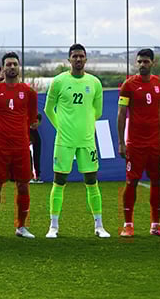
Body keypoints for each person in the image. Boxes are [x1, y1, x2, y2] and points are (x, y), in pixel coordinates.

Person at [44, 43, 110, 238]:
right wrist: (61, 128)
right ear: (69, 59)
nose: (78, 59)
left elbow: (97, 112)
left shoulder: (95, 83)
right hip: (64, 141)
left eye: (81, 56)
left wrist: (85, 126)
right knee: (59, 181)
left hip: (87, 140)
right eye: (75, 56)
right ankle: (53, 226)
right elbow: (49, 109)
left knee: (91, 181)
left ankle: (99, 226)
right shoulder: (58, 81)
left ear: (86, 59)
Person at [118, 48, 160, 237]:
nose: (142, 65)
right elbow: (121, 114)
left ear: (153, 63)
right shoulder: (128, 85)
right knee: (131, 181)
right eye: (139, 61)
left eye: (146, 61)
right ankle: (128, 225)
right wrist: (121, 142)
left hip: (156, 143)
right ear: (136, 63)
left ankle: (156, 225)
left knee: (157, 182)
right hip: (135, 144)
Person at [0, 52, 37, 239]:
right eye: (8, 64)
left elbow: (31, 117)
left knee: (23, 186)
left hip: (21, 147)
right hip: (0, 147)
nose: (12, 67)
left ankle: (21, 227)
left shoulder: (29, 92)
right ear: (2, 68)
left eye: (15, 64)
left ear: (19, 67)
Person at [29, 113, 43, 183]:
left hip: (35, 138)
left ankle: (37, 176)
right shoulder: (24, 131)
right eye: (33, 121)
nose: (34, 123)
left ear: (40, 122)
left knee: (36, 155)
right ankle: (29, 176)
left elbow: (37, 156)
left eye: (36, 122)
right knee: (28, 156)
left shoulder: (37, 137)